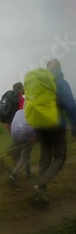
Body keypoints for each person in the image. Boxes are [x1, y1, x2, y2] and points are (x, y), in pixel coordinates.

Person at [32, 59, 76, 202]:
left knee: (45, 157)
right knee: (60, 157)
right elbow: (70, 107)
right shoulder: (61, 83)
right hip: (56, 126)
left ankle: (40, 192)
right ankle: (41, 184)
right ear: (59, 68)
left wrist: (35, 129)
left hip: (40, 125)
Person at [7, 102, 35, 187]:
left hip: (15, 133)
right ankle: (13, 176)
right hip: (25, 135)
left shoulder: (19, 112)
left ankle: (28, 173)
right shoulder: (33, 114)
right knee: (24, 157)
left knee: (25, 155)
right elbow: (35, 128)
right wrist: (34, 138)